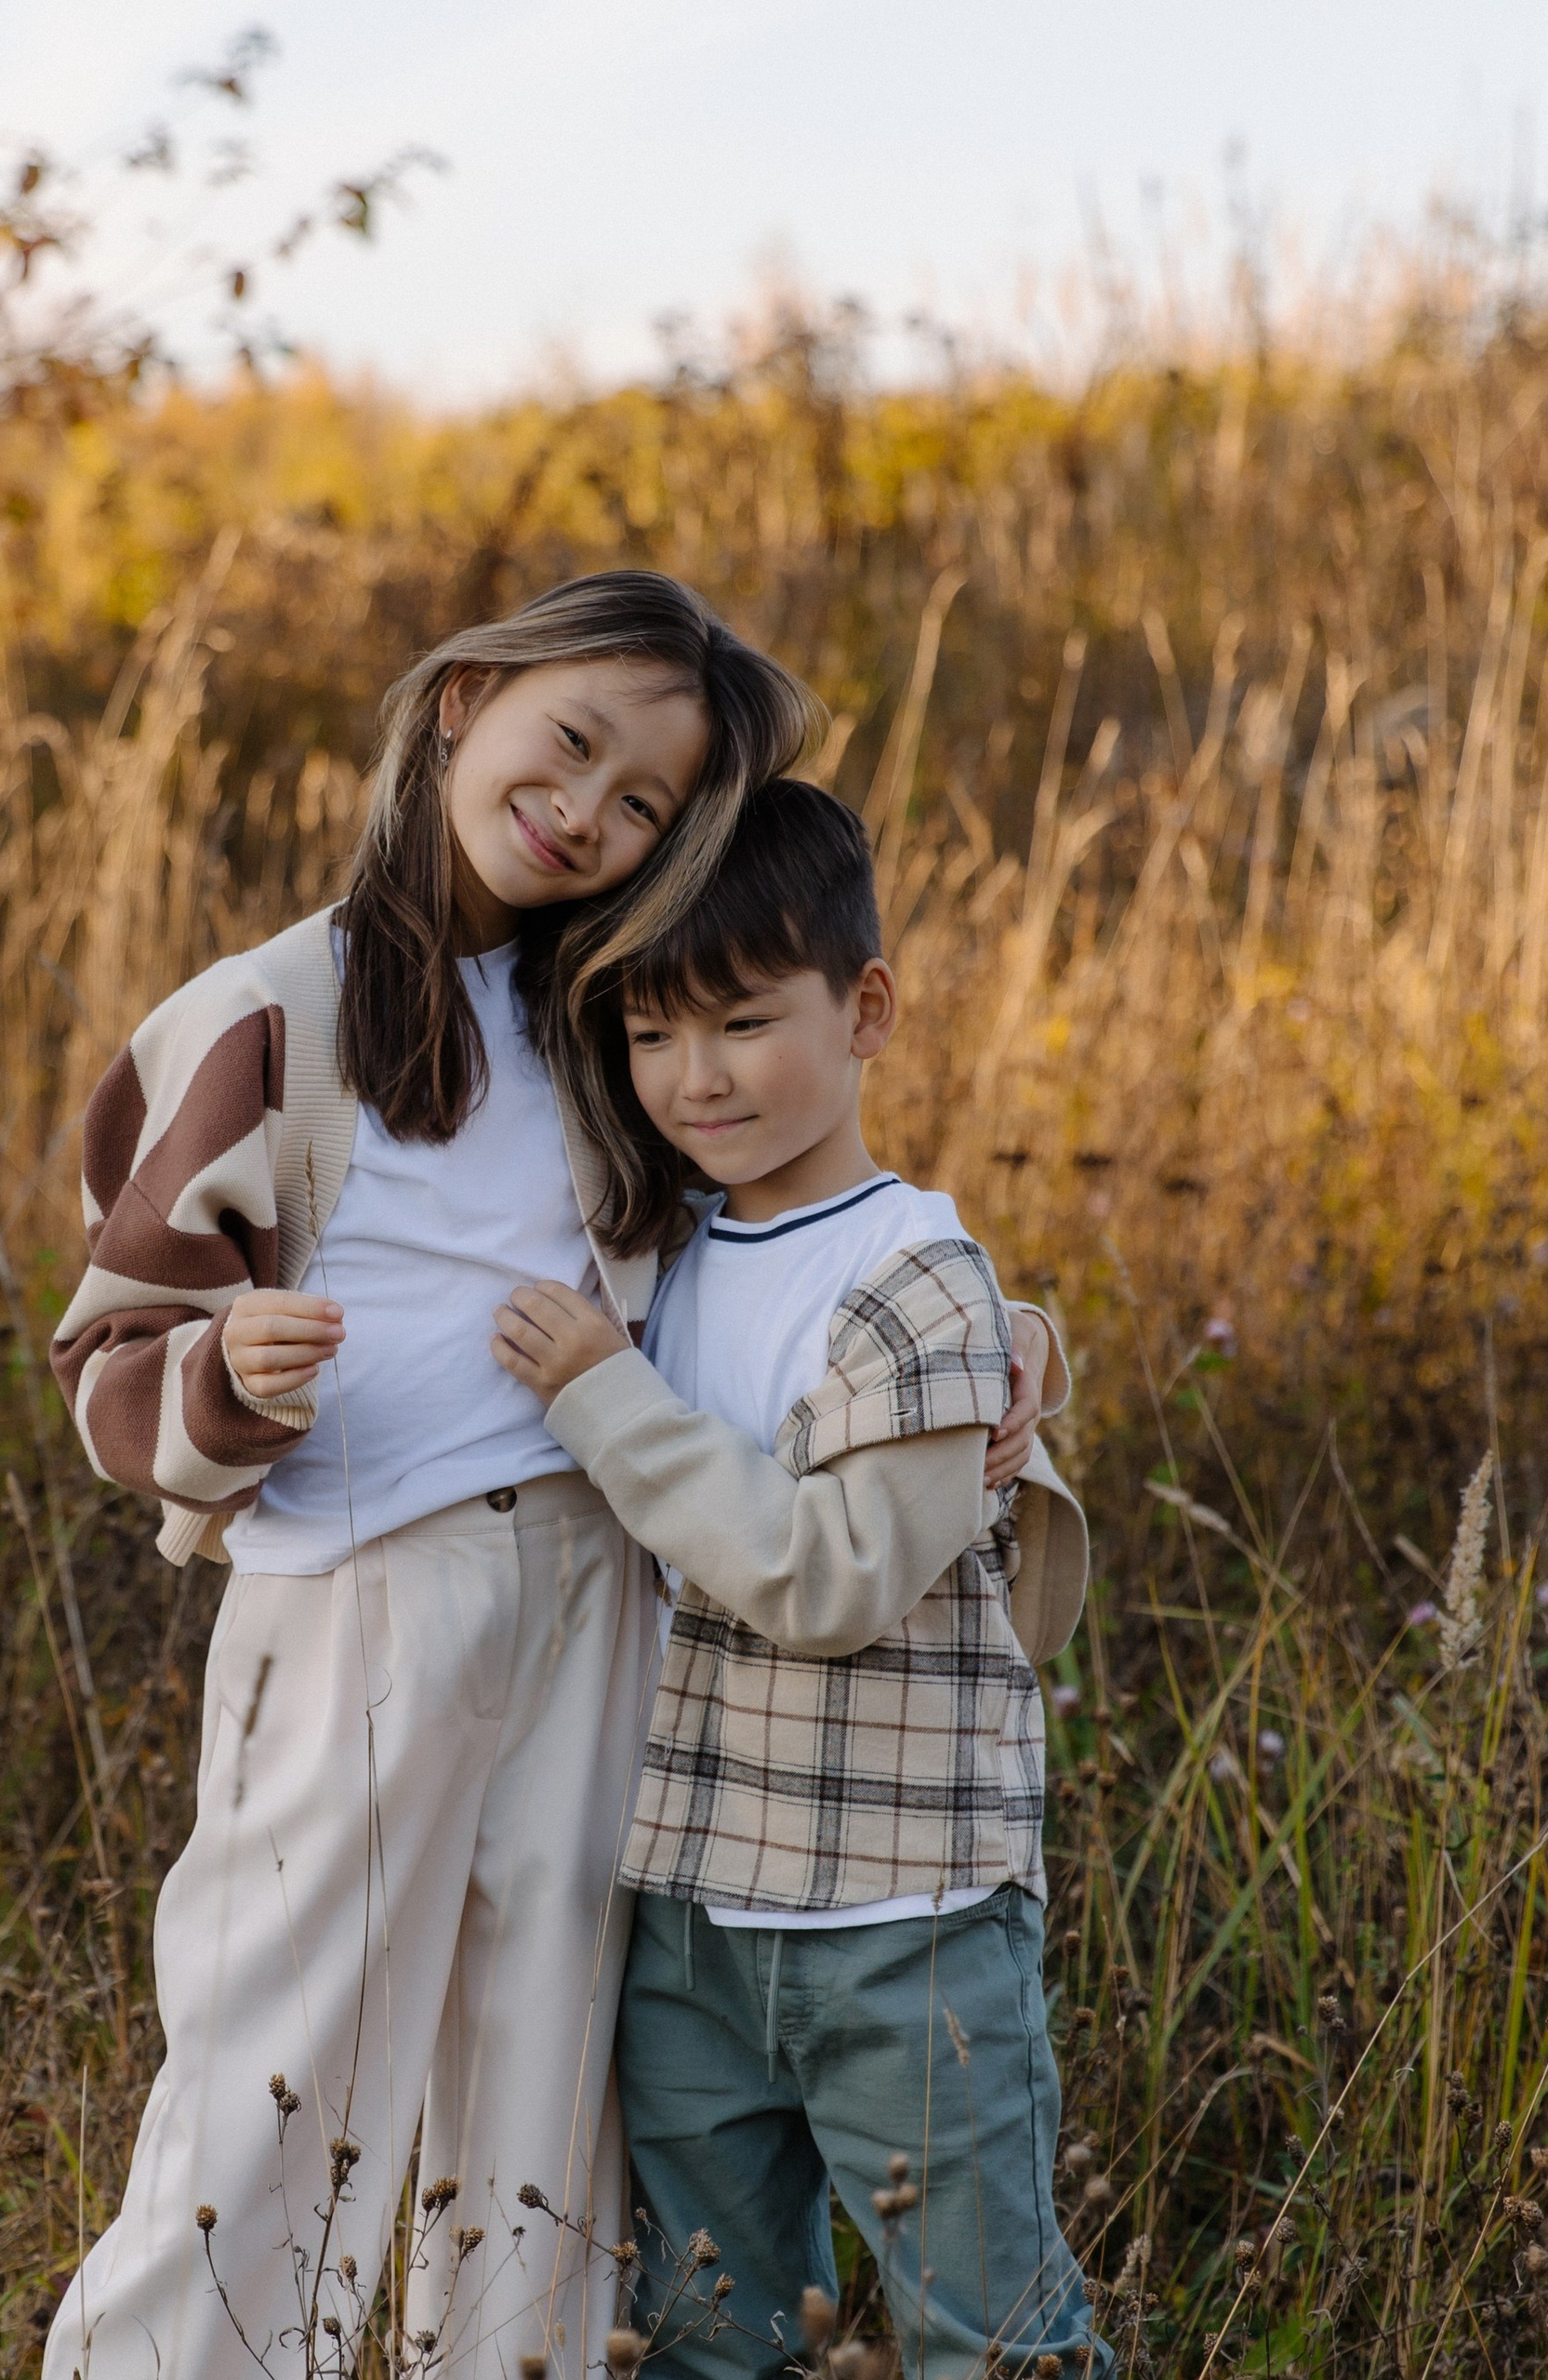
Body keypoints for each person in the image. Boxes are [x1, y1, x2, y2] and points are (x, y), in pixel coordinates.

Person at [492, 779, 1109, 2380]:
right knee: (710, 2339)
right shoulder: (665, 1249)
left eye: (746, 1024)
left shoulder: (912, 1282)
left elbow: (828, 1580)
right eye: (648, 1037)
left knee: (994, 2338)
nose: (695, 1080)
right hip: (691, 1918)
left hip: (901, 1925)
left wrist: (601, 1397)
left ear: (867, 1010)